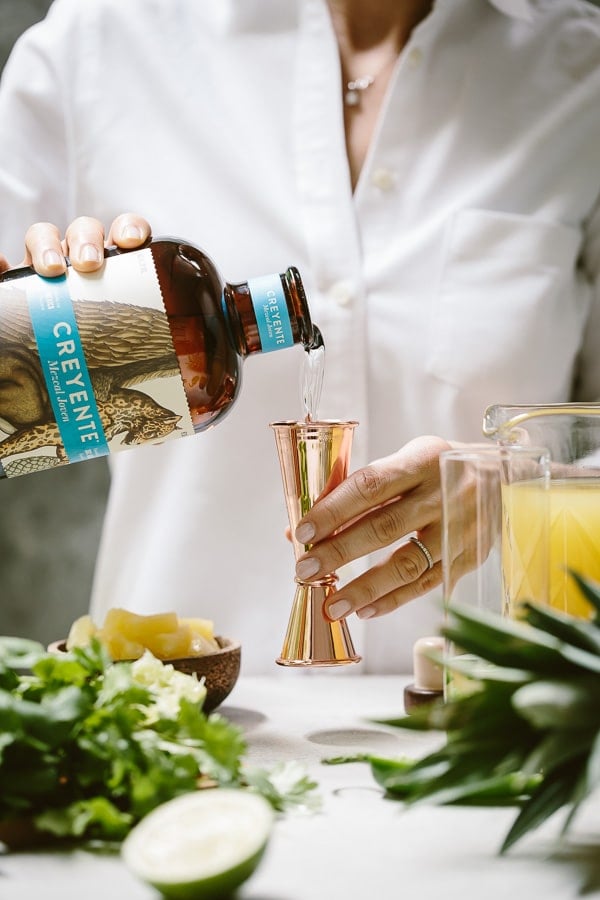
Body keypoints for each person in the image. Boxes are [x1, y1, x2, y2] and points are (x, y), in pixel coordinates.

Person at [0, 0, 598, 673]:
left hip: (484, 728)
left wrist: (518, 479)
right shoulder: (98, 42)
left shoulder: (581, 71)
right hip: (180, 728)